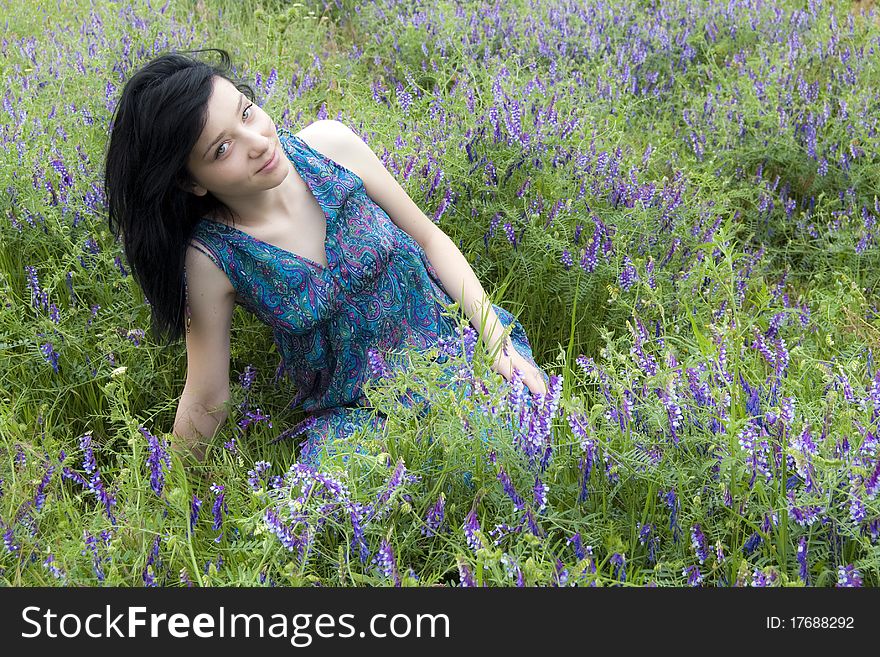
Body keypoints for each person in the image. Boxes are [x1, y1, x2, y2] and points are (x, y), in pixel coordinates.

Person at [104, 49, 549, 465]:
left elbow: (430, 239)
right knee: (326, 515)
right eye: (222, 149)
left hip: (451, 350)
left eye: (246, 112)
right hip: (359, 415)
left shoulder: (330, 146)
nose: (257, 141)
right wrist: (164, 499)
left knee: (519, 440)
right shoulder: (213, 257)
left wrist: (497, 341)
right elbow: (206, 397)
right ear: (192, 183)